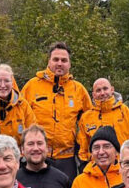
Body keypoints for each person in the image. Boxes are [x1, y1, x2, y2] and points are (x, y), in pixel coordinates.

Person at [20, 42, 92, 180]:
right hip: (38, 156)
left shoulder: (78, 90)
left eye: (64, 60)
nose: (60, 63)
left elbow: (89, 122)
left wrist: (85, 153)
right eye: (56, 59)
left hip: (67, 159)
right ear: (49, 61)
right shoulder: (32, 86)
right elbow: (18, 117)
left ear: (69, 64)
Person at [77, 77, 129, 165]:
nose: (102, 93)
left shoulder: (124, 111)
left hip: (122, 165)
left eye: (105, 89)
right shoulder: (86, 117)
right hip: (96, 166)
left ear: (112, 90)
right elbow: (83, 147)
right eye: (98, 90)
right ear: (93, 94)